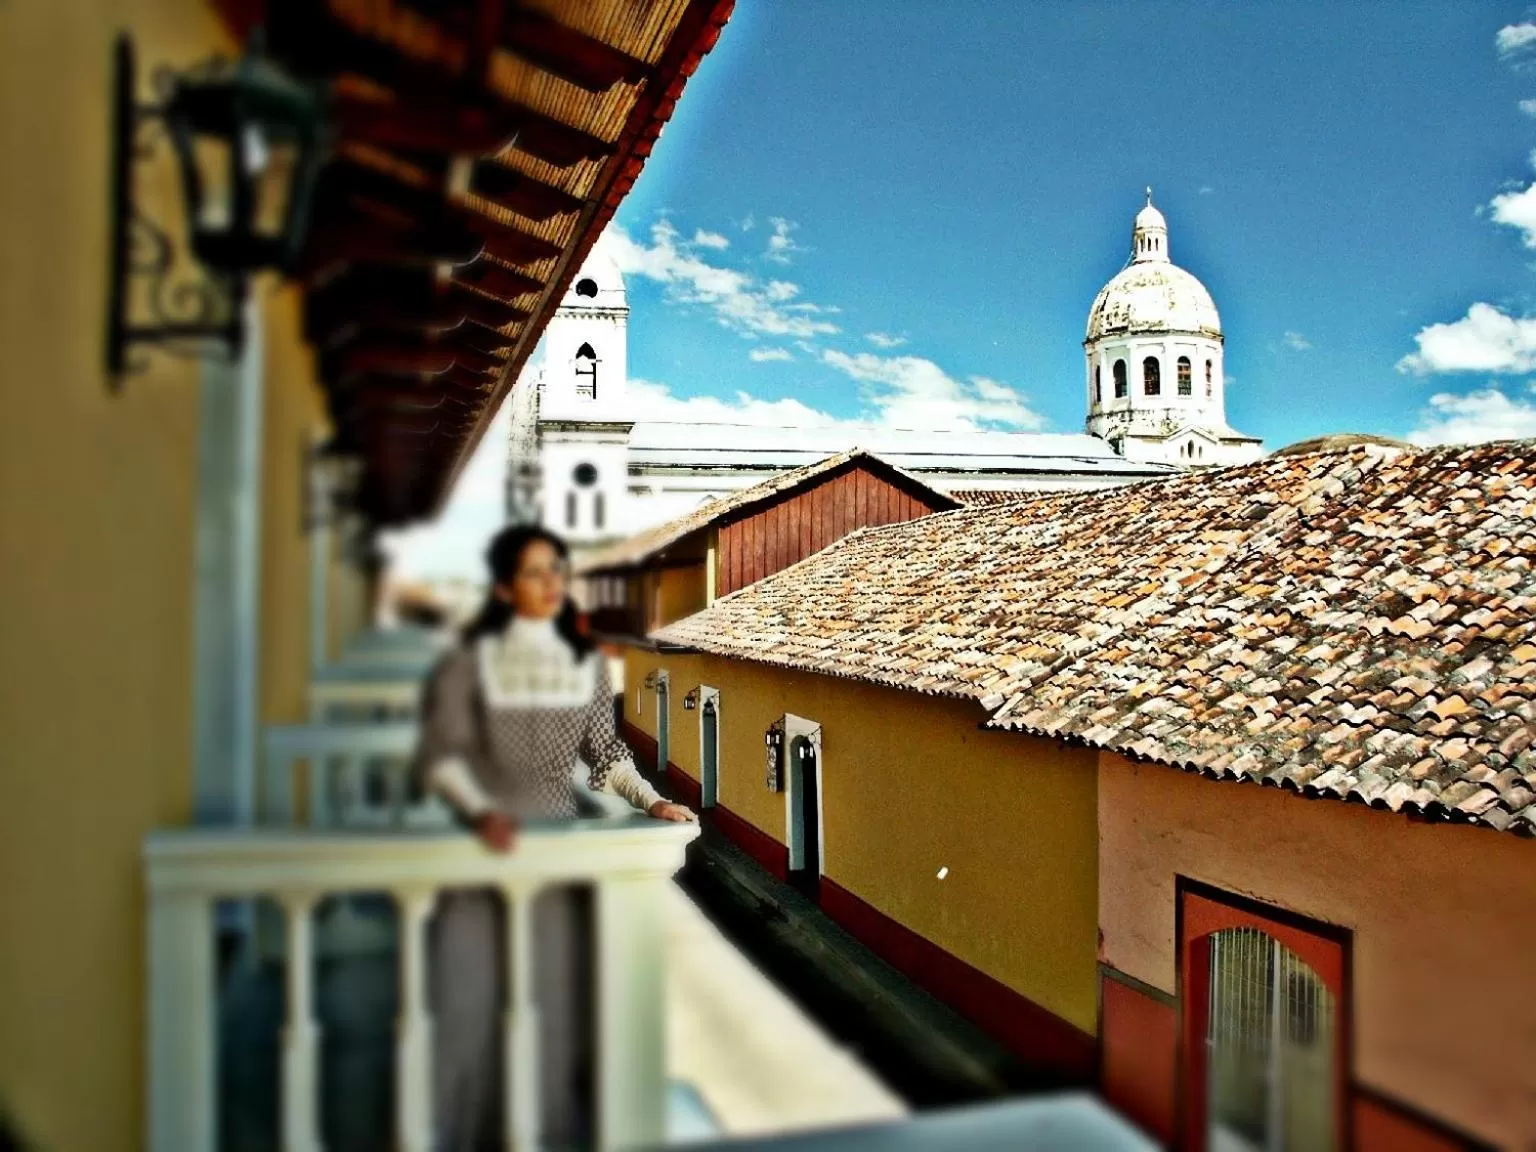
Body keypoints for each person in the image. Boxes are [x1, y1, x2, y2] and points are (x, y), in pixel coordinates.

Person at [411, 524, 695, 1151]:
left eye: (556, 571)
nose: (550, 584)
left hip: (559, 849)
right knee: (471, 1008)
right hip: (485, 847)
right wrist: (481, 810)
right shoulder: (468, 662)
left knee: (557, 1008)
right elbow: (441, 757)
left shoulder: (584, 665)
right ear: (506, 588)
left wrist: (653, 800)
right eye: (535, 573)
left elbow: (606, 753)